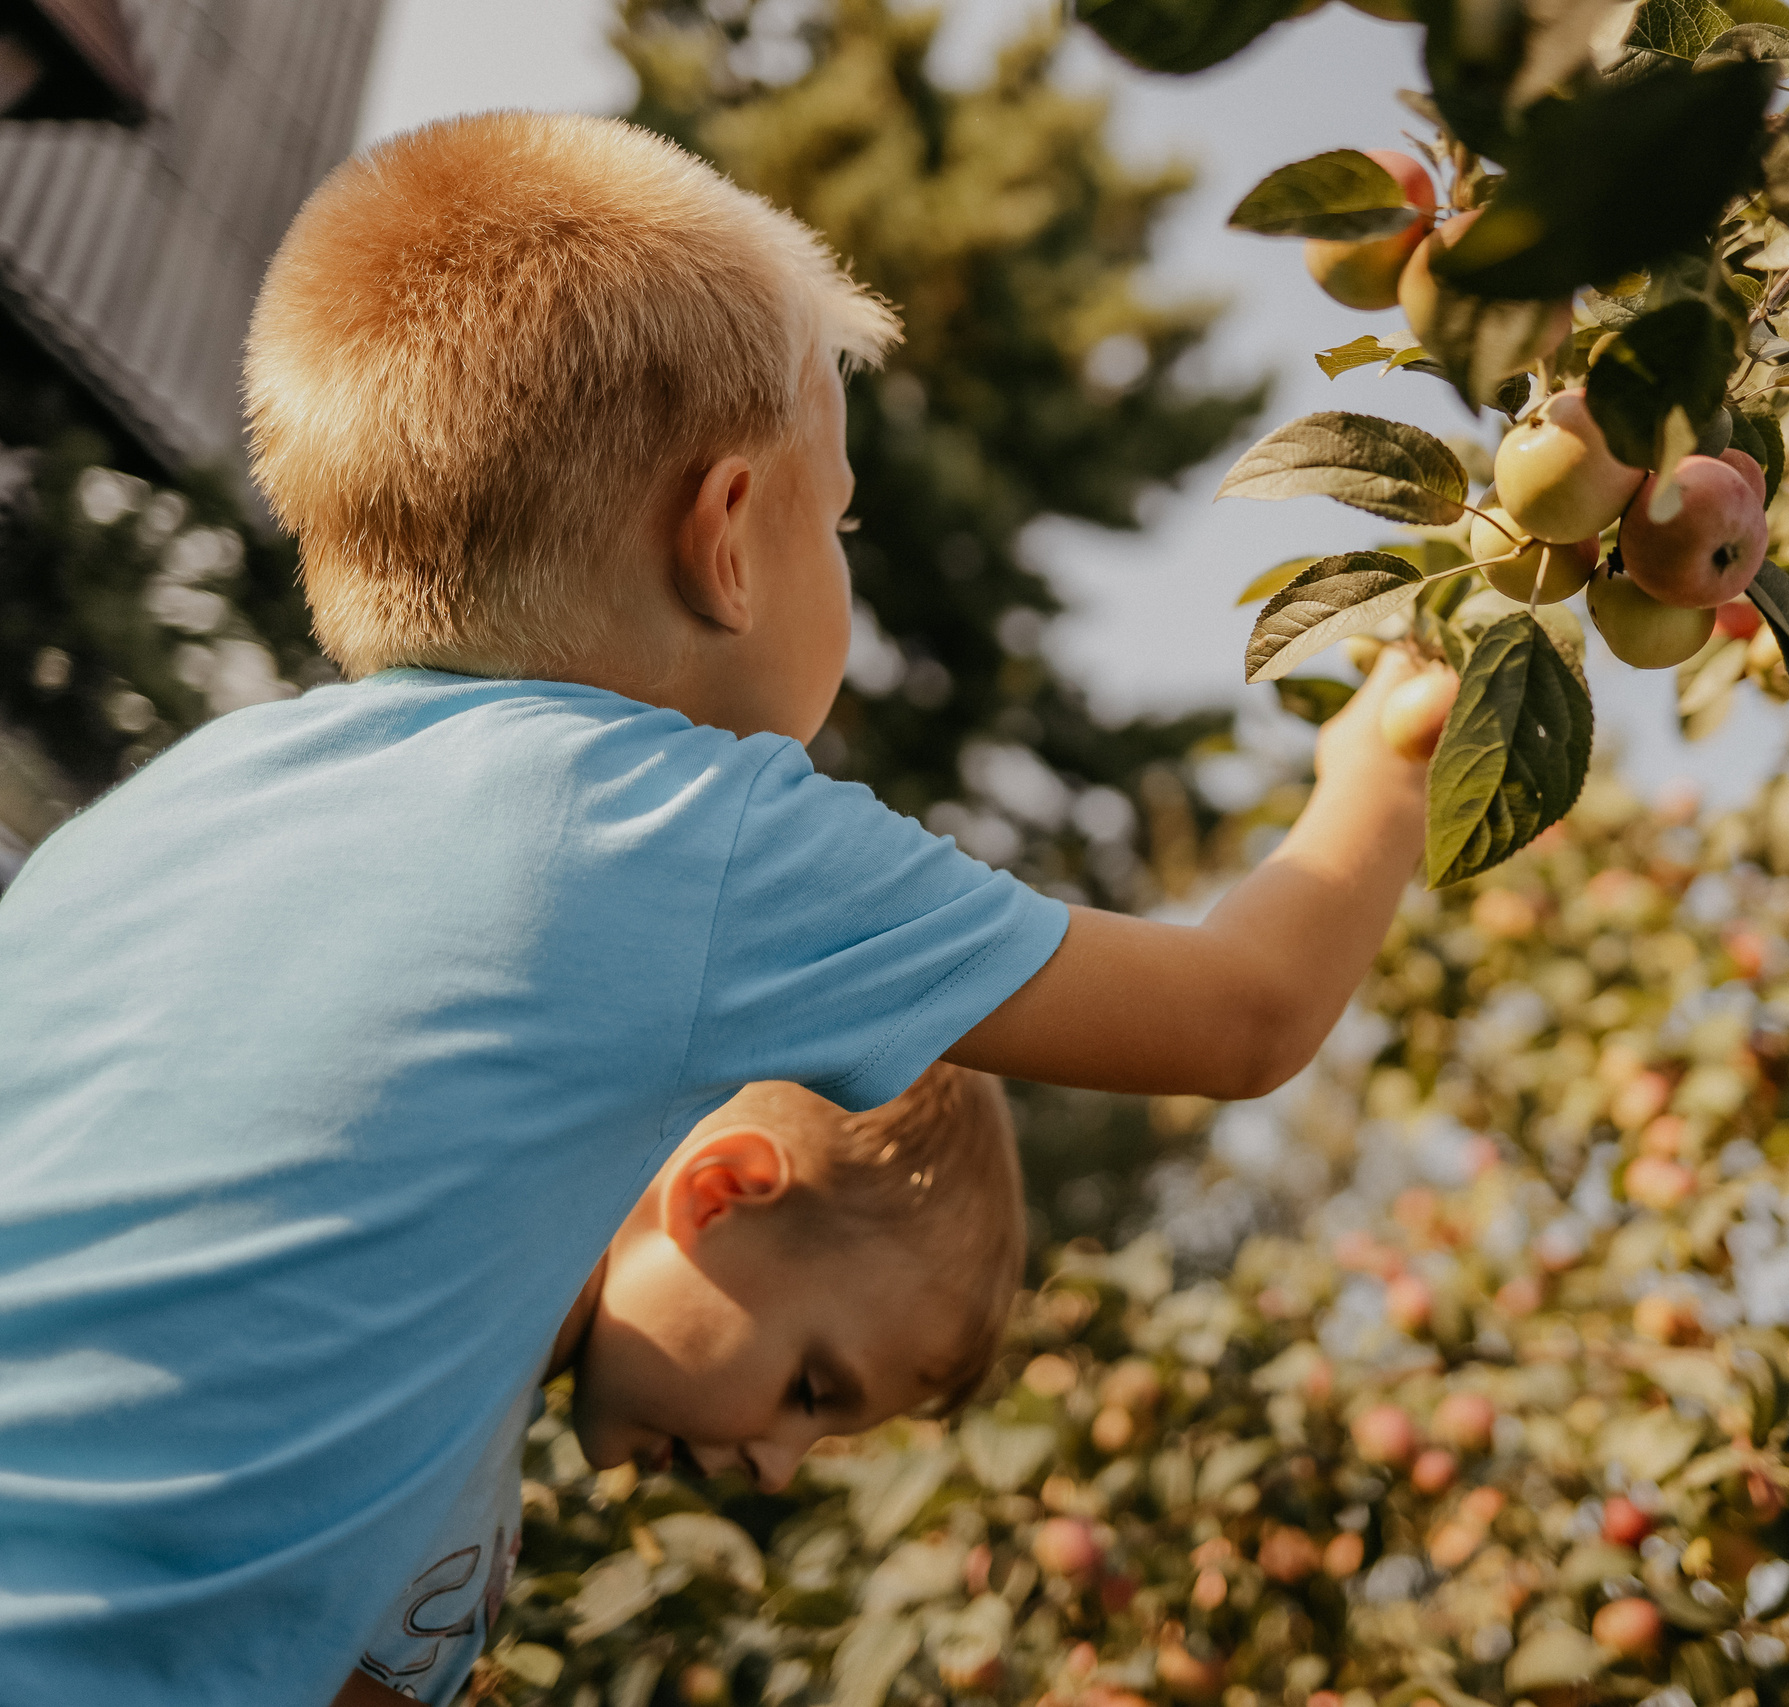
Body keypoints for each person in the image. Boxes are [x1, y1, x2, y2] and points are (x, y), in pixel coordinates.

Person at [0, 111, 1435, 1705]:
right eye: (842, 524)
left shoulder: (181, 807)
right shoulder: (671, 825)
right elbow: (1245, 1013)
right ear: (728, 532)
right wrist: (1390, 752)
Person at [344, 1070, 1021, 1705]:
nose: (777, 1471)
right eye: (809, 1391)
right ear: (717, 1195)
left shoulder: (479, 1422)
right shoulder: (411, 1356)